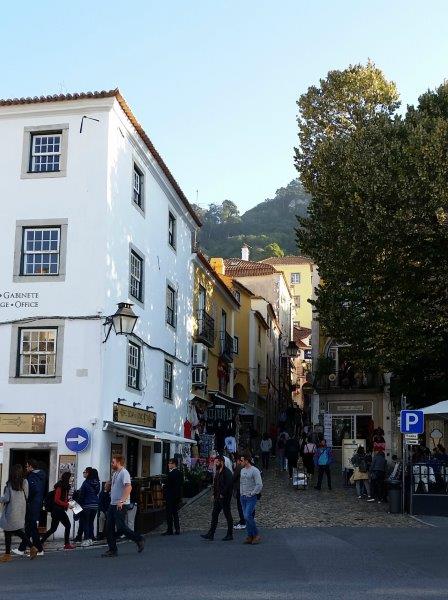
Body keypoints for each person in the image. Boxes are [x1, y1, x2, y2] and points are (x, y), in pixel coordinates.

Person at [101, 455, 145, 557]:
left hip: (120, 504)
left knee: (121, 527)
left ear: (119, 462)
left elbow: (128, 487)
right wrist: (108, 486)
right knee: (109, 528)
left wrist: (122, 501)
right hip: (112, 504)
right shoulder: (115, 473)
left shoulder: (124, 473)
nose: (111, 464)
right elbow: (115, 487)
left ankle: (139, 539)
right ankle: (112, 550)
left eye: (113, 462)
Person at [0, 465, 38, 562]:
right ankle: (32, 547)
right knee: (16, 531)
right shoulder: (25, 482)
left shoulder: (9, 484)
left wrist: (1, 498)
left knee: (9, 531)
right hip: (21, 510)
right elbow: (27, 495)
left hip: (10, 511)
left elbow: (6, 499)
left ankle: (8, 555)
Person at [14, 459, 45, 556]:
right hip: (37, 503)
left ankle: (39, 550)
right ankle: (22, 549)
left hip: (32, 505)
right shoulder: (41, 475)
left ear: (31, 466)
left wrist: (27, 500)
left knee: (31, 527)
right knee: (29, 528)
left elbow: (34, 490)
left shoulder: (32, 476)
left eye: (27, 466)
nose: (26, 468)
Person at [201, 454, 234, 541]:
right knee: (214, 514)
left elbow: (229, 485)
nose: (215, 463)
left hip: (225, 497)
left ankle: (230, 534)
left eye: (217, 462)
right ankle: (211, 533)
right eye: (215, 462)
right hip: (218, 497)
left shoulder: (227, 472)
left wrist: (223, 493)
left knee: (228, 515)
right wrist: (214, 494)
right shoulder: (218, 471)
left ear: (221, 462)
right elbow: (216, 484)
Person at [40, 472, 76, 550]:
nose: (72, 479)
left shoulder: (65, 487)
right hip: (58, 510)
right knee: (68, 525)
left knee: (53, 529)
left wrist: (69, 504)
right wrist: (66, 505)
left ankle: (40, 542)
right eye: (71, 477)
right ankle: (66, 544)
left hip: (58, 510)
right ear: (67, 478)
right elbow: (56, 500)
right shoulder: (60, 486)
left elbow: (63, 499)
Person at [240, 451, 263, 545]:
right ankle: (250, 535)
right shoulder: (242, 470)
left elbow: (259, 484)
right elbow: (241, 483)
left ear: (246, 460)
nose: (240, 462)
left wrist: (253, 493)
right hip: (243, 496)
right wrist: (241, 493)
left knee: (247, 515)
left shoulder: (255, 470)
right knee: (246, 517)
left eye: (241, 460)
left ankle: (256, 534)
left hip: (251, 497)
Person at [78, 467, 100, 546]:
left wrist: (79, 503)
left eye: (86, 472)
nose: (84, 473)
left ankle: (87, 539)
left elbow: (82, 494)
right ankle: (91, 538)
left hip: (86, 505)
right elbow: (97, 492)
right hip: (95, 505)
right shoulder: (97, 482)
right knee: (91, 522)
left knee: (85, 522)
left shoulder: (86, 482)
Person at [162, 457, 183, 536]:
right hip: (177, 496)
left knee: (169, 513)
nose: (168, 465)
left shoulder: (171, 474)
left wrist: (163, 485)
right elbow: (180, 484)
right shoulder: (179, 473)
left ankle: (170, 529)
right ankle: (177, 529)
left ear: (173, 464)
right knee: (175, 513)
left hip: (170, 496)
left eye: (169, 463)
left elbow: (168, 485)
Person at [233, 454, 246, 530]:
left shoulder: (239, 467)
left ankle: (242, 521)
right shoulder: (245, 467)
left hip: (239, 489)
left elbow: (234, 477)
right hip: (244, 489)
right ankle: (244, 520)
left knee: (240, 506)